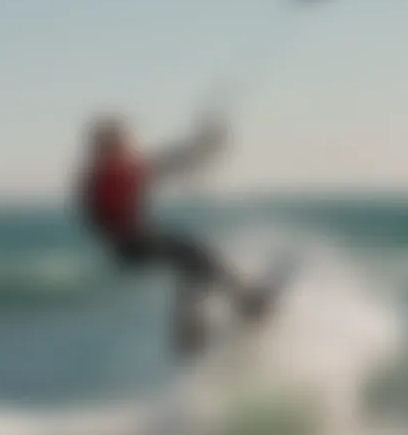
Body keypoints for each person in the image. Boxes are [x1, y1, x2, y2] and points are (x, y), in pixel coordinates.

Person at [76, 113, 267, 355]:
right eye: (118, 143)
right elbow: (103, 209)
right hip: (129, 245)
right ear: (104, 147)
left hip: (135, 241)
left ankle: (203, 325)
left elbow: (171, 162)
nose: (126, 146)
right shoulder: (102, 176)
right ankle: (233, 309)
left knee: (196, 263)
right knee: (193, 257)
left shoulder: (119, 170)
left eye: (122, 142)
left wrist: (204, 144)